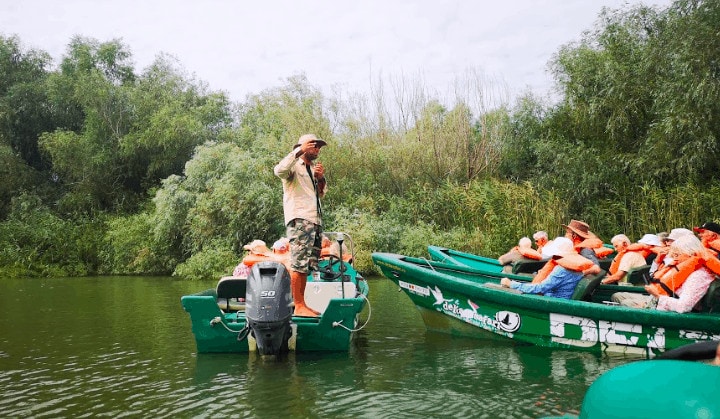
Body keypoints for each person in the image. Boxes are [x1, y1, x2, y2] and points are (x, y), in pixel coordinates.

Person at [274, 133, 328, 317]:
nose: (317, 149)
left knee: (308, 264)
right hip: (299, 219)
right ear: (302, 146)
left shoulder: (313, 168)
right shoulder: (293, 166)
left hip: (314, 220)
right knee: (299, 263)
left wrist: (320, 178)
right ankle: (298, 306)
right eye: (313, 145)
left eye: (319, 146)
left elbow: (321, 194)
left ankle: (302, 304)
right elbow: (278, 171)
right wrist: (298, 151)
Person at [611, 235, 715, 313]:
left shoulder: (698, 276)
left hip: (668, 311)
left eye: (677, 254)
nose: (674, 258)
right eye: (673, 254)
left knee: (625, 303)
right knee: (617, 296)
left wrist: (656, 296)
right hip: (659, 301)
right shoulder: (683, 265)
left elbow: (683, 307)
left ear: (691, 254)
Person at [500, 237, 589, 299]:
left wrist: (511, 284)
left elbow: (540, 288)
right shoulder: (577, 267)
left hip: (554, 303)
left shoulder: (561, 270)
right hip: (559, 297)